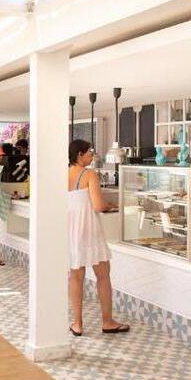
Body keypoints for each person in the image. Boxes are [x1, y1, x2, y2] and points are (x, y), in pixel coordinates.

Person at [68, 139, 129, 336]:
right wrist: (110, 205)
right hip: (89, 229)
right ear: (79, 154)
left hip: (71, 230)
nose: (92, 156)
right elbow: (98, 206)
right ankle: (107, 321)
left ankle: (77, 323)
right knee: (103, 276)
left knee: (75, 277)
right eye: (89, 152)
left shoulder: (63, 173)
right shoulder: (89, 174)